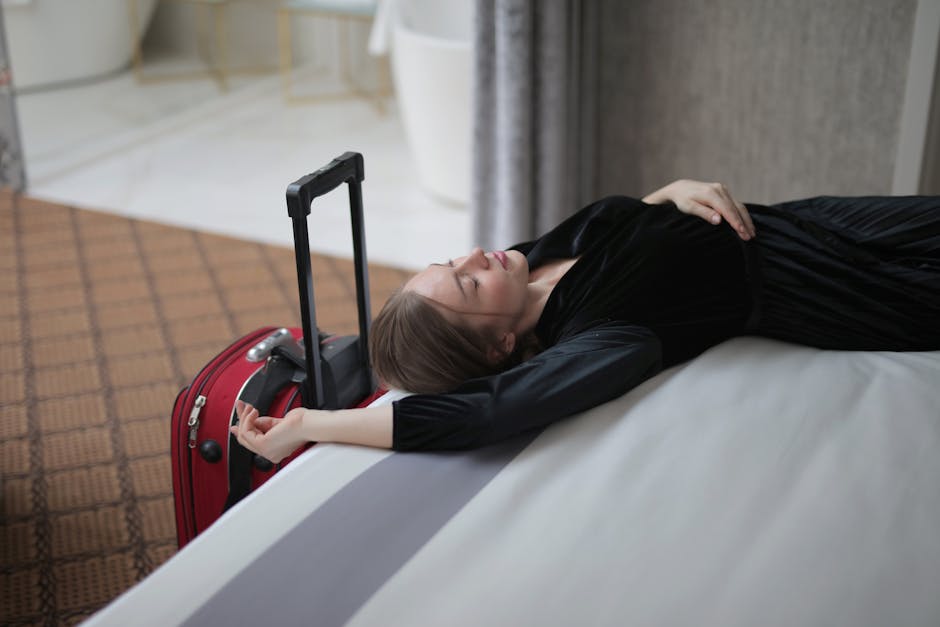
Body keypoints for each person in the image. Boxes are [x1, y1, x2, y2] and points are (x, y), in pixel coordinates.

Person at [232, 180, 940, 457]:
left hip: (818, 221)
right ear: (503, 342)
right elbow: (481, 413)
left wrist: (665, 193)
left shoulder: (525, 263)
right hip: (840, 286)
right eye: (469, 282)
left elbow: (620, 226)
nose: (482, 255)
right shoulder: (603, 337)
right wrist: (310, 425)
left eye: (456, 262)